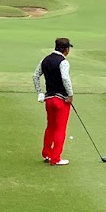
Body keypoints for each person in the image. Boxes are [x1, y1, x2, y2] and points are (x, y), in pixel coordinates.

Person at [33, 37, 74, 166]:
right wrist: (70, 95)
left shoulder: (45, 60)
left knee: (50, 127)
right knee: (60, 129)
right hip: (61, 101)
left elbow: (35, 75)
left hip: (49, 100)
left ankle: (47, 154)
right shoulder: (63, 62)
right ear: (66, 49)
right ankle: (56, 158)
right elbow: (65, 78)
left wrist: (40, 92)